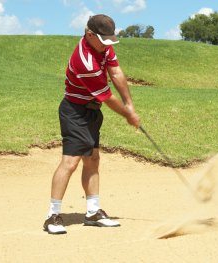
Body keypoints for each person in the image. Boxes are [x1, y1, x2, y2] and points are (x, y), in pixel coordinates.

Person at [43, 14, 140, 234]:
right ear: (89, 35)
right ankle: (53, 215)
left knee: (93, 159)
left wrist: (130, 104)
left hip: (92, 111)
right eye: (103, 39)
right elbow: (107, 97)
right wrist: (127, 115)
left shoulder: (102, 46)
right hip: (74, 112)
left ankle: (93, 212)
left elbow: (115, 72)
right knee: (70, 162)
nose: (108, 44)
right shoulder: (85, 60)